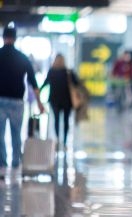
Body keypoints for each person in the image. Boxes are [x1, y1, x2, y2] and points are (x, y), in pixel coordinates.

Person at [0, 23, 44, 177]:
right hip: (18, 102)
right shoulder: (22, 57)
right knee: (16, 133)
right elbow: (33, 83)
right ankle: (16, 162)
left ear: (3, 37)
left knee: (0, 134)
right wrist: (39, 103)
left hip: (0, 100)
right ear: (15, 38)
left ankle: (2, 162)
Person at [40, 54, 79, 147]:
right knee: (66, 121)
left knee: (56, 120)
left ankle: (57, 139)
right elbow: (76, 83)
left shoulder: (52, 71)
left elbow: (45, 83)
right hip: (67, 101)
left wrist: (38, 91)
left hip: (54, 101)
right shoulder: (68, 72)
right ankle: (65, 141)